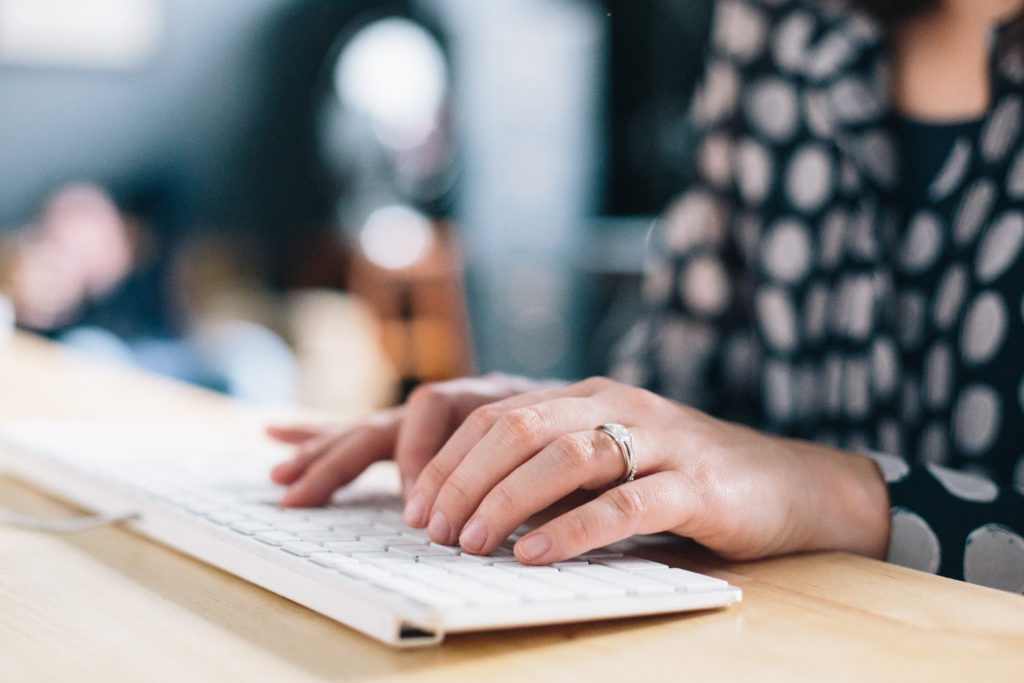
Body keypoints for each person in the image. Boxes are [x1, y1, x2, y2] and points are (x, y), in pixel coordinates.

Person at [268, 0, 1024, 591]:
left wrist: (836, 492)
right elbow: (684, 384)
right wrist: (560, 433)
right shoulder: (782, 22)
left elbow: (760, 467)